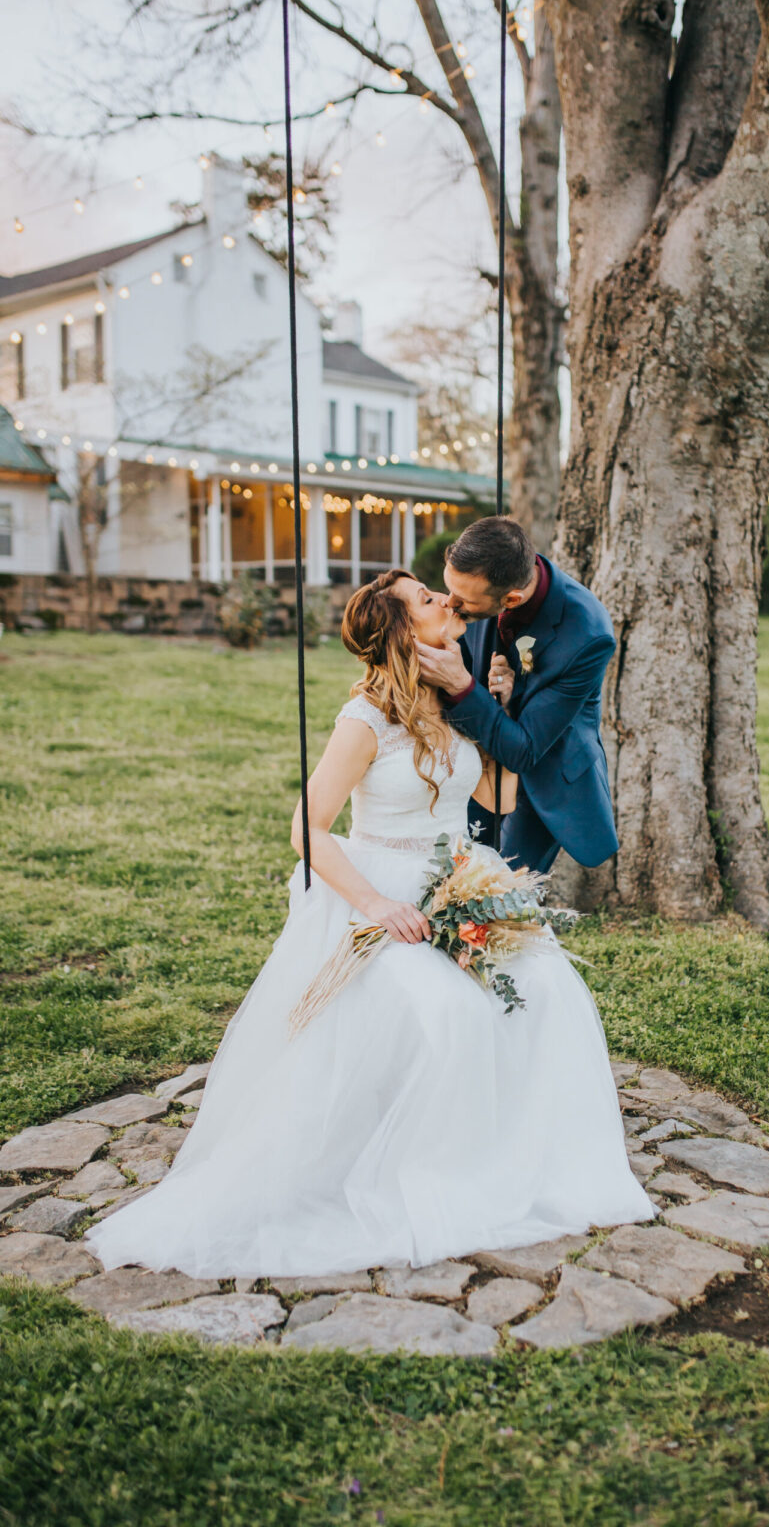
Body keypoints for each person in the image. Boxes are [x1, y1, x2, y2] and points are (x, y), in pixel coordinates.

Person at [82, 569, 655, 1279]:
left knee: (549, 990)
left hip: (459, 877)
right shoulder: (364, 721)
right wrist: (377, 906)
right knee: (442, 1011)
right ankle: (413, 1167)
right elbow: (307, 829)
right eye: (427, 599)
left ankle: (511, 1158)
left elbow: (499, 796)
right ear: (401, 633)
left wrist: (503, 710)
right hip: (379, 886)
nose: (446, 601)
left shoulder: (456, 702)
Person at [414, 516, 618, 875]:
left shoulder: (588, 634)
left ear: (511, 598)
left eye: (462, 601)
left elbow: (524, 750)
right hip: (476, 760)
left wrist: (462, 685)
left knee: (500, 893)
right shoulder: (475, 589)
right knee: (456, 877)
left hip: (544, 774)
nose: (450, 604)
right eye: (448, 590)